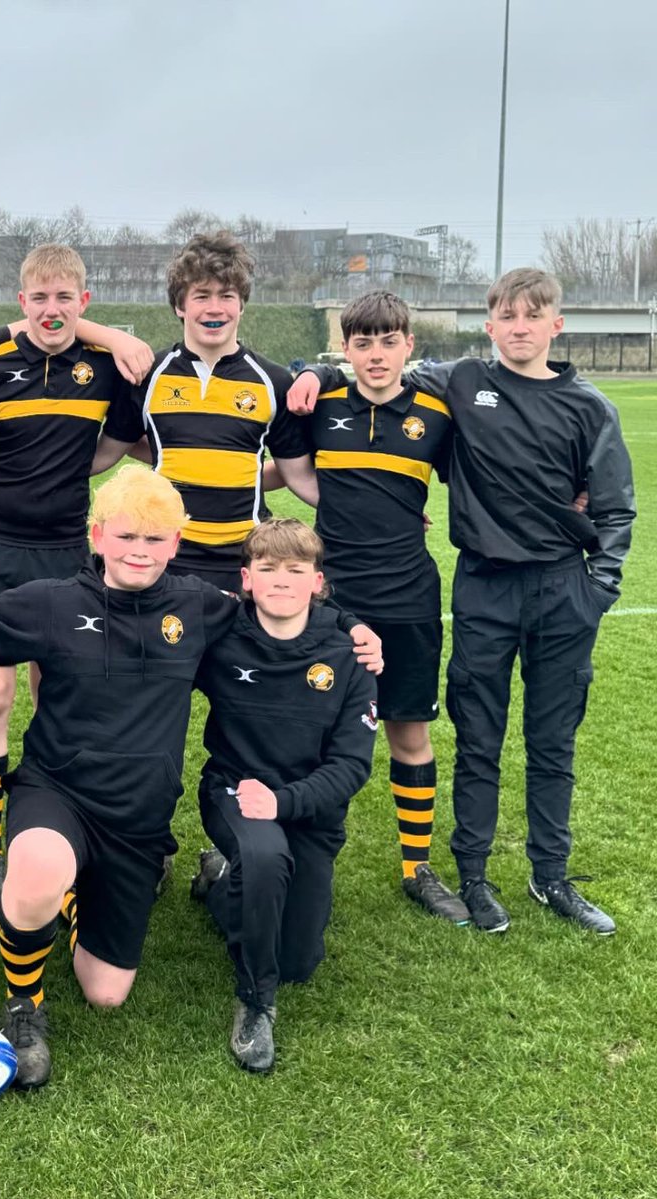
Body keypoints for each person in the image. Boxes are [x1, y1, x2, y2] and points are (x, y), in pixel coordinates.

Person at [0, 466, 383, 1090]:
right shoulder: (51, 601)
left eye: (155, 540)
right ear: (97, 536)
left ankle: (81, 892)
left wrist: (349, 625)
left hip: (138, 820)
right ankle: (25, 1007)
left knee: (106, 992)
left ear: (176, 545)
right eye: (126, 536)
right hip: (58, 791)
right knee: (40, 867)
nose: (139, 550)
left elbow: (280, 599)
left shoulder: (200, 607)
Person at [290, 268, 635, 934]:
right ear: (490, 324)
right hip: (483, 585)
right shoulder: (463, 381)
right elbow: (375, 371)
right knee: (479, 738)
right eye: (507, 316)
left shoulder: (591, 406)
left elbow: (617, 508)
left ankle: (551, 877)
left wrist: (598, 589)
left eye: (533, 316)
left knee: (552, 741)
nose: (520, 327)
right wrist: (319, 372)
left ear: (555, 325)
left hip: (564, 589)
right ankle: (472, 876)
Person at [0, 243, 154, 914]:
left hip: (67, 547)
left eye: (65, 297)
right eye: (39, 298)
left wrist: (72, 474)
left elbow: (117, 446)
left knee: (61, 693)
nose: (52, 309)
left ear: (83, 303)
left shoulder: (105, 366)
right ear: (21, 303)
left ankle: (59, 832)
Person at [269, 290, 468, 923]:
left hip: (409, 595)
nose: (375, 355)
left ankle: (417, 868)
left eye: (388, 341)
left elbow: (475, 476)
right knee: (307, 729)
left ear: (409, 344)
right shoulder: (322, 398)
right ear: (346, 348)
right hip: (332, 596)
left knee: (408, 730)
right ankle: (286, 847)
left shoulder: (436, 411)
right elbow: (295, 471)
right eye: (362, 343)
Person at [191, 518, 377, 1072]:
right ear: (246, 578)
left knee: (298, 960)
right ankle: (255, 1001)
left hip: (308, 810)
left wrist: (285, 802)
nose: (281, 580)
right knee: (266, 858)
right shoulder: (221, 634)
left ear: (317, 582)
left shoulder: (350, 654)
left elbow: (351, 765)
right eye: (267, 569)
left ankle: (221, 880)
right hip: (235, 792)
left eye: (296, 571)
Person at [95, 230, 318, 592]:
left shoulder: (274, 381)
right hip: (168, 555)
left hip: (245, 557)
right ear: (180, 306)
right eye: (201, 296)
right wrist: (27, 461)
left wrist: (380, 505)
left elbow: (301, 477)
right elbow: (105, 453)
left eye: (226, 296)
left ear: (241, 304)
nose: (215, 308)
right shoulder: (147, 374)